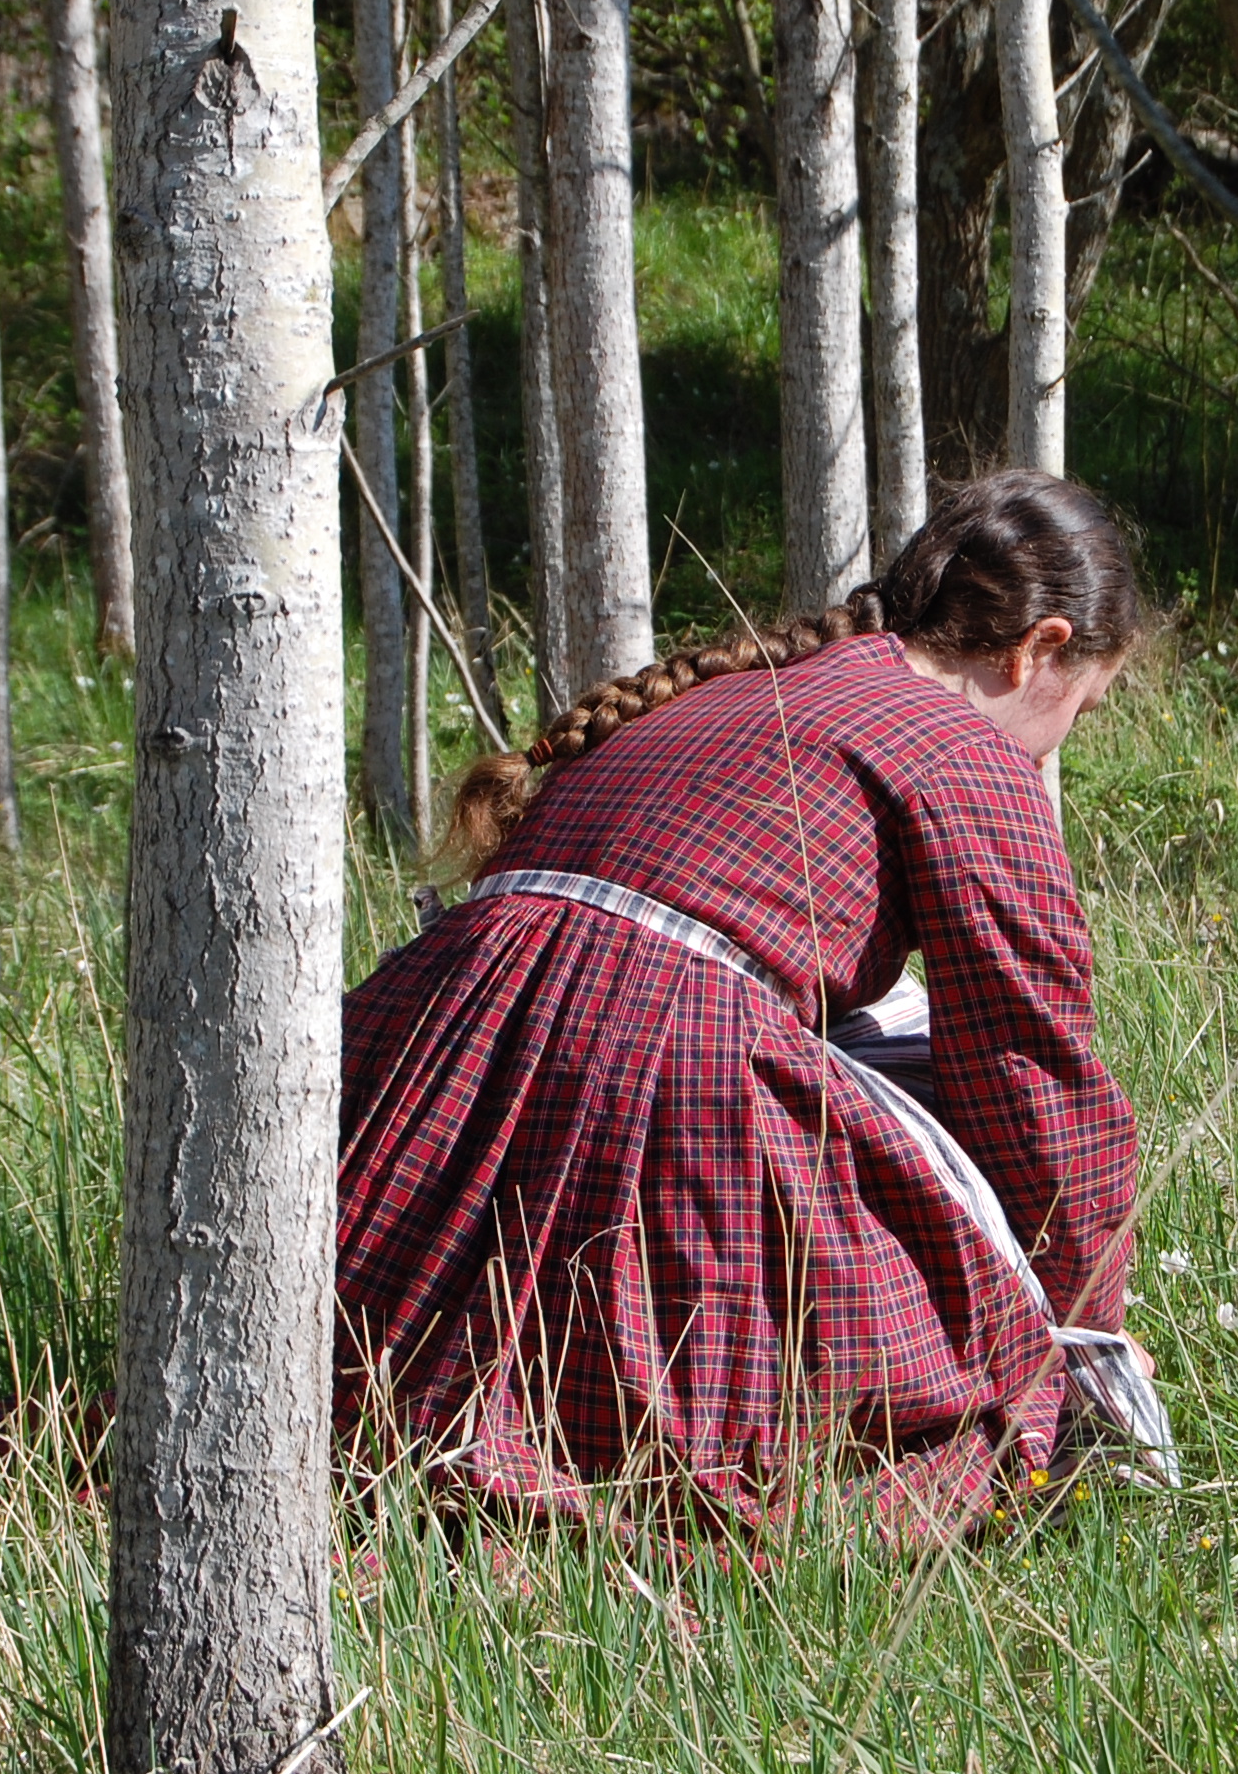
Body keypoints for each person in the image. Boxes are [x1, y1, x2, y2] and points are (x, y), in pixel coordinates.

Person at [336, 471, 1161, 1544]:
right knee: (962, 1396)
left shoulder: (725, 689)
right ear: (1034, 649)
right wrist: (1081, 1333)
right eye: (1078, 707)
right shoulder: (959, 748)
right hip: (648, 1045)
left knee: (361, 1385)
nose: (1056, 745)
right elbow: (1029, 1067)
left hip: (427, 1034)